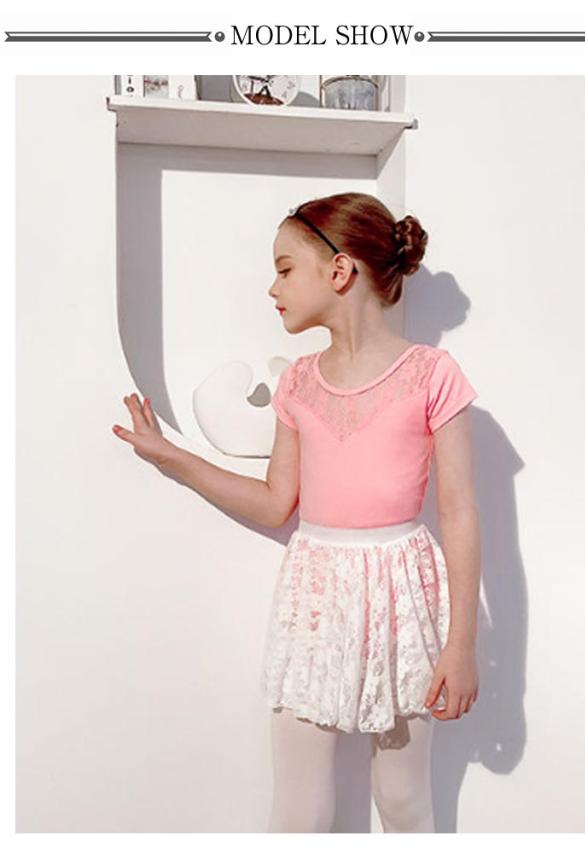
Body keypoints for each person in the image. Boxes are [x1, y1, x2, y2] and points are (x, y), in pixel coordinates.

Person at [112, 191, 481, 833]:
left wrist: (462, 646)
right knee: (299, 811)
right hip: (316, 601)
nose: (273, 288)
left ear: (339, 271)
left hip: (403, 601)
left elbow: (460, 512)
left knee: (402, 800)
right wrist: (171, 456)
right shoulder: (299, 383)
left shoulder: (432, 374)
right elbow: (274, 501)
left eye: (284, 269)